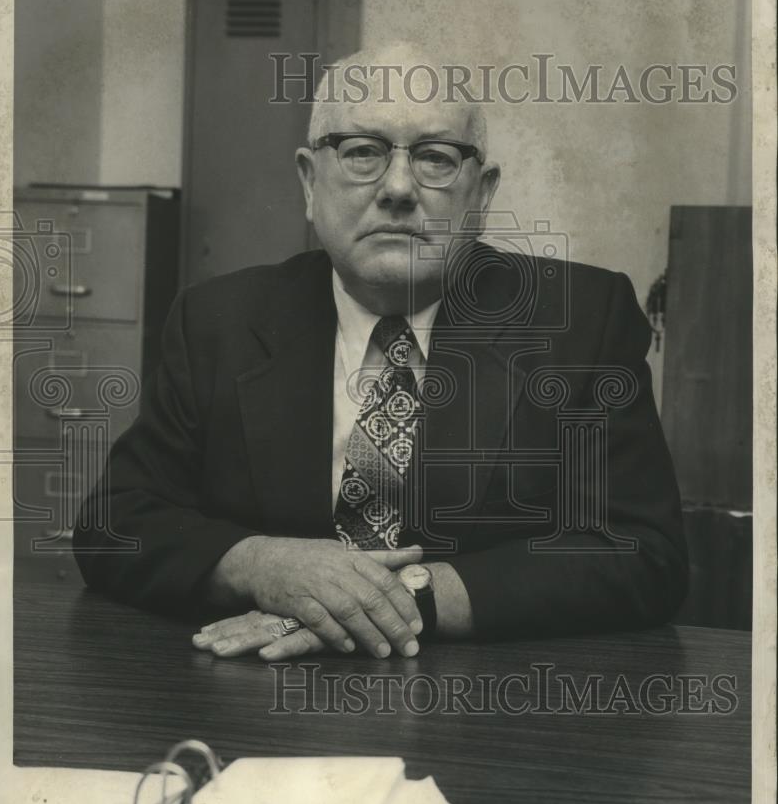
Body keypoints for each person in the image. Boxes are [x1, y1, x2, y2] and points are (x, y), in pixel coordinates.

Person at [74, 45, 688, 663]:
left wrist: (403, 599)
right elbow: (115, 524)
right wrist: (259, 563)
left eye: (436, 158)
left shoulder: (583, 321)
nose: (398, 188)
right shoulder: (217, 321)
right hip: (253, 700)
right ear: (310, 182)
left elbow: (641, 553)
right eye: (362, 151)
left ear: (481, 195)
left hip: (490, 714)